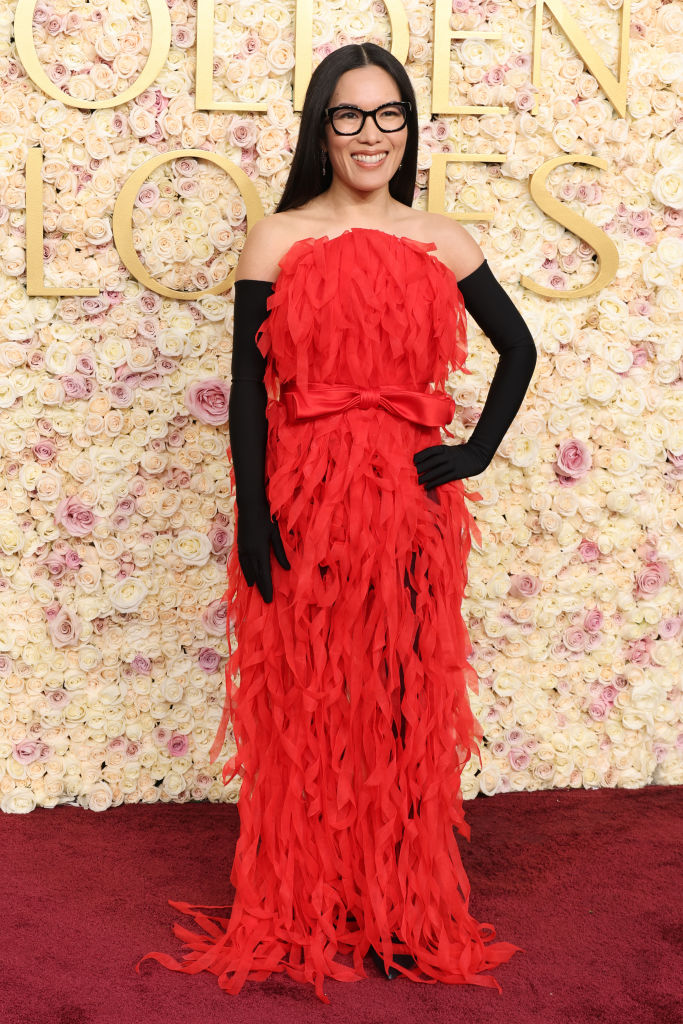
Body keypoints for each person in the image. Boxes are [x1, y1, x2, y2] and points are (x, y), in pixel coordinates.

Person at [137, 43, 536, 1004]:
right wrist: (251, 514)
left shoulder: (442, 237)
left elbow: (519, 349)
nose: (370, 134)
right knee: (305, 704)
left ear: (409, 127)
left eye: (388, 114)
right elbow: (244, 387)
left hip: (407, 504)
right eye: (349, 116)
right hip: (303, 500)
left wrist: (473, 453)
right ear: (322, 129)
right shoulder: (276, 237)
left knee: (402, 700)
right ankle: (304, 902)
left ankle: (400, 910)